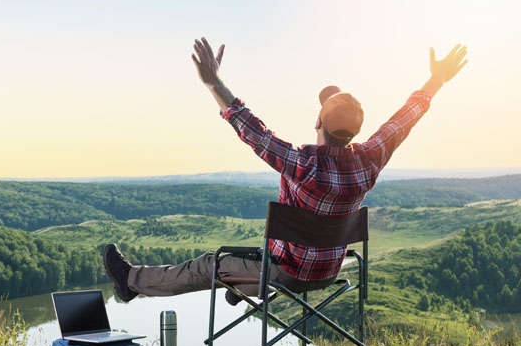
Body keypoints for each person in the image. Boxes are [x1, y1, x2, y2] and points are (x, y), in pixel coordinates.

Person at [103, 37, 468, 303]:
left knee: (208, 265)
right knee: (254, 259)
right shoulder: (369, 159)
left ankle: (132, 281)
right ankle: (246, 286)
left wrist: (212, 81)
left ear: (318, 122)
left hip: (286, 273)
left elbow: (252, 129)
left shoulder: (303, 166)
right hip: (327, 274)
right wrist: (437, 81)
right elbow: (404, 119)